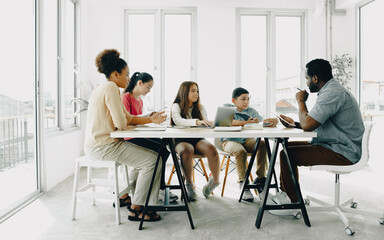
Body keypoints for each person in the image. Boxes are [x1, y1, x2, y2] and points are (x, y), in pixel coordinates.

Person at [84, 49, 167, 222]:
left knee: (151, 159)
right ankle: (137, 208)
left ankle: (137, 200)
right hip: (104, 146)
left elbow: (127, 118)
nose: (129, 79)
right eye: (127, 75)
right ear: (115, 74)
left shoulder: (104, 87)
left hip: (101, 144)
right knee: (153, 161)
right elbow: (122, 124)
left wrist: (151, 119)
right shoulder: (111, 87)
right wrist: (139, 121)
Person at [273, 58, 364, 214]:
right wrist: (295, 124)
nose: (307, 83)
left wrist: (300, 101)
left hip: (344, 152)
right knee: (286, 148)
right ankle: (289, 196)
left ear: (315, 78)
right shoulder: (330, 90)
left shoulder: (332, 93)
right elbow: (313, 122)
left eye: (307, 79)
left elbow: (308, 125)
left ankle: (291, 202)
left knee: (287, 154)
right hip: (337, 145)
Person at [121, 72, 178, 203]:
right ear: (139, 83)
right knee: (162, 151)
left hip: (138, 135)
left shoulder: (140, 101)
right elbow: (128, 120)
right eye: (148, 87)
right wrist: (148, 119)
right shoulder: (126, 97)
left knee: (164, 147)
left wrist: (149, 117)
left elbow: (138, 119)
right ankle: (160, 189)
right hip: (129, 137)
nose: (149, 90)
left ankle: (159, 187)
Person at [221, 87, 278, 201]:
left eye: (248, 99)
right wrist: (246, 122)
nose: (246, 102)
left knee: (262, 144)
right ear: (234, 101)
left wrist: (272, 121)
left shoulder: (251, 111)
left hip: (246, 140)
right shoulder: (227, 107)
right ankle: (243, 183)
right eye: (243, 99)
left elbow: (262, 122)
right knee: (240, 151)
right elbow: (228, 122)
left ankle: (261, 179)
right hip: (229, 140)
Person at [170, 81, 221, 200]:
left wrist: (208, 123)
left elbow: (205, 123)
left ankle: (214, 181)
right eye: (193, 90)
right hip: (180, 139)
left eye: (197, 91)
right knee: (187, 150)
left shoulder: (200, 107)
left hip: (197, 138)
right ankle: (189, 184)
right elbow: (179, 121)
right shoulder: (176, 106)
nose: (196, 93)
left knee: (211, 149)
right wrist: (197, 122)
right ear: (184, 92)